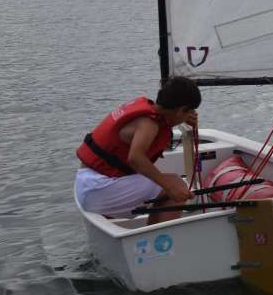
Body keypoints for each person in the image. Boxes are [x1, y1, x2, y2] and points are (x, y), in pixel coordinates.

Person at [75, 76, 201, 224]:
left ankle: (154, 234)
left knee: (168, 181)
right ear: (180, 110)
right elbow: (135, 159)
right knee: (177, 184)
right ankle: (159, 242)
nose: (191, 115)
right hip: (98, 189)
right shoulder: (149, 124)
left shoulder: (147, 111)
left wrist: (180, 118)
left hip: (87, 182)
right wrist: (170, 187)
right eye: (189, 111)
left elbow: (161, 124)